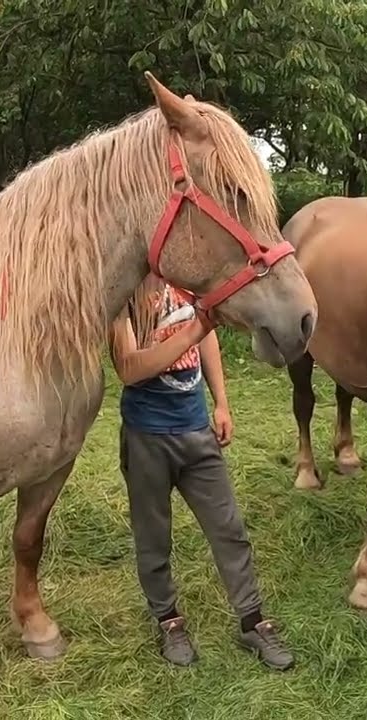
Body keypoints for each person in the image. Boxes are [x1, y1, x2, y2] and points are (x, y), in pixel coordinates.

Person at [108, 275, 295, 671]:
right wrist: (193, 330)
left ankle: (252, 621)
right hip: (147, 438)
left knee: (229, 529)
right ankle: (169, 621)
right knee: (153, 537)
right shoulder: (123, 295)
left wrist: (221, 402)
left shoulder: (185, 282)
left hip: (196, 432)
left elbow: (207, 338)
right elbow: (128, 368)